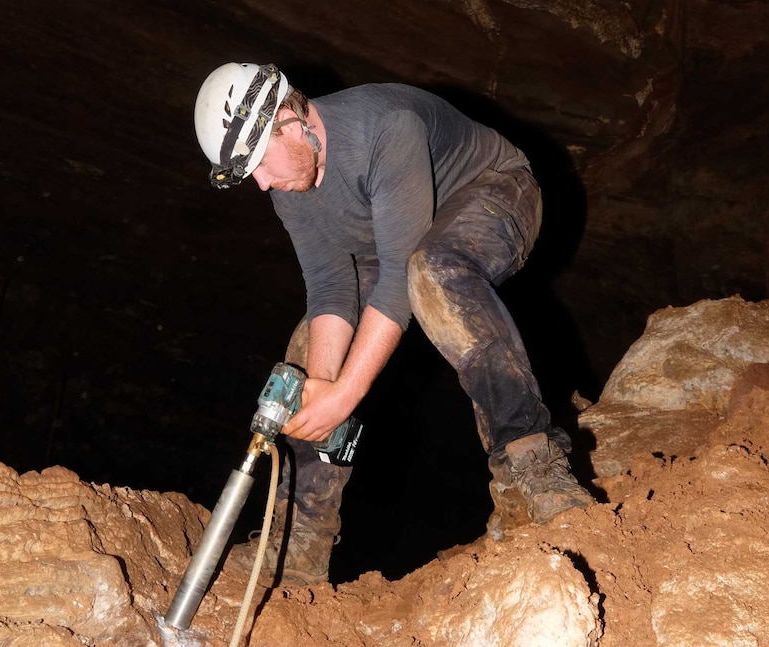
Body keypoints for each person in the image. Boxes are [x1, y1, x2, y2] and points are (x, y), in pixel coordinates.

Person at [193, 62, 594, 584]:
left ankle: (533, 466)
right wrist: (321, 391)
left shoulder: (385, 127)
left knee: (434, 270)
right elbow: (331, 291)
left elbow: (401, 284)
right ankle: (299, 541)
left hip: (495, 191)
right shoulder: (291, 185)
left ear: (289, 120)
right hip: (397, 242)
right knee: (308, 349)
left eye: (260, 164)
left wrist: (344, 395)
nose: (263, 183)